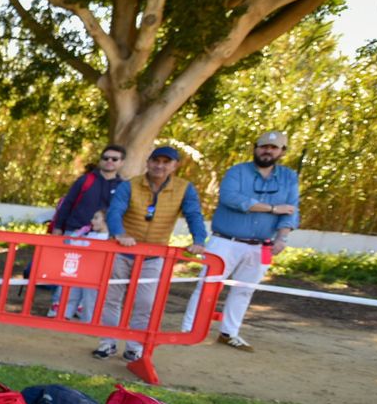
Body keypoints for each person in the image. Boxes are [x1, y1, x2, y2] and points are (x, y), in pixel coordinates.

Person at [180, 130, 300, 351]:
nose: (267, 151)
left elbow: (291, 210)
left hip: (261, 245)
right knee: (207, 286)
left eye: (273, 148)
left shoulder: (289, 177)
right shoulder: (237, 171)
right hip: (225, 241)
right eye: (263, 146)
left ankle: (229, 333)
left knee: (244, 290)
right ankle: (189, 331)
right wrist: (273, 208)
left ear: (282, 152)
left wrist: (282, 237)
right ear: (255, 148)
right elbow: (232, 199)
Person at [93, 145, 207, 362]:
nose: (159, 166)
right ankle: (107, 343)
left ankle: (134, 347)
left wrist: (199, 241)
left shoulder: (184, 188)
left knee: (145, 302)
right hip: (122, 251)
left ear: (175, 166)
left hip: (154, 255)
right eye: (156, 160)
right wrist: (119, 234)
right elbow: (115, 211)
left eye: (166, 162)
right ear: (148, 162)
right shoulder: (130, 185)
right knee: (111, 298)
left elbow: (194, 214)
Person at [46, 145, 126, 314]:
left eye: (114, 159)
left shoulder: (123, 186)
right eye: (105, 158)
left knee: (94, 275)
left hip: (104, 238)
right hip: (76, 233)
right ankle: (59, 309)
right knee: (68, 272)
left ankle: (85, 312)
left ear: (121, 162)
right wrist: (58, 227)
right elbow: (67, 203)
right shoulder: (86, 180)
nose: (109, 161)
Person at [60, 210, 111, 321]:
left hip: (95, 275)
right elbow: (73, 244)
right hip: (81, 271)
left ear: (106, 221)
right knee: (71, 295)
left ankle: (89, 323)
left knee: (89, 300)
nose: (92, 221)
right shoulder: (90, 235)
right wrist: (78, 234)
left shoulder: (109, 239)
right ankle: (64, 317)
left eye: (96, 218)